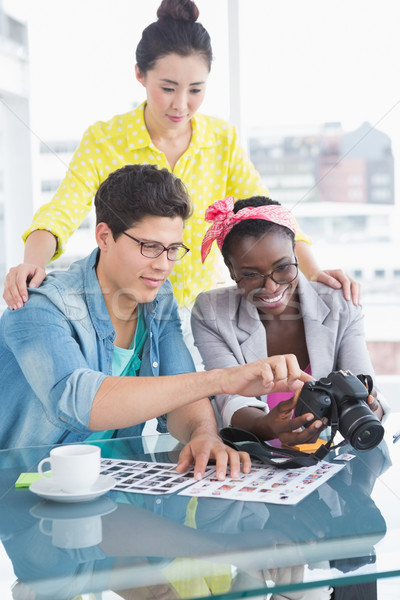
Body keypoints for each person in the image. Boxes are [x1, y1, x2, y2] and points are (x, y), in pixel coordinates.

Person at [3, 0, 360, 313]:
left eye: (196, 90)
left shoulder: (222, 139)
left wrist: (314, 271)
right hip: (125, 307)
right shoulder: (105, 139)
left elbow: (268, 214)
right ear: (140, 75)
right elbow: (62, 210)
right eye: (168, 88)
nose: (181, 104)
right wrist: (31, 264)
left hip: (203, 309)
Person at [0, 165, 316, 481]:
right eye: (149, 247)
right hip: (28, 490)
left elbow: (182, 386)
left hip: (121, 484)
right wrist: (222, 379)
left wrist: (202, 434)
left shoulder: (157, 296)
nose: (163, 265)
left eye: (173, 249)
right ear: (105, 237)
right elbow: (82, 402)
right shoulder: (39, 305)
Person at [191, 196, 388, 443]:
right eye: (251, 274)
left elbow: (365, 388)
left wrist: (370, 409)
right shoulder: (211, 312)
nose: (271, 286)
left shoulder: (339, 303)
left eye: (283, 266)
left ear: (296, 254)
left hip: (326, 460)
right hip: (249, 460)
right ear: (231, 271)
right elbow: (230, 399)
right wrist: (266, 427)